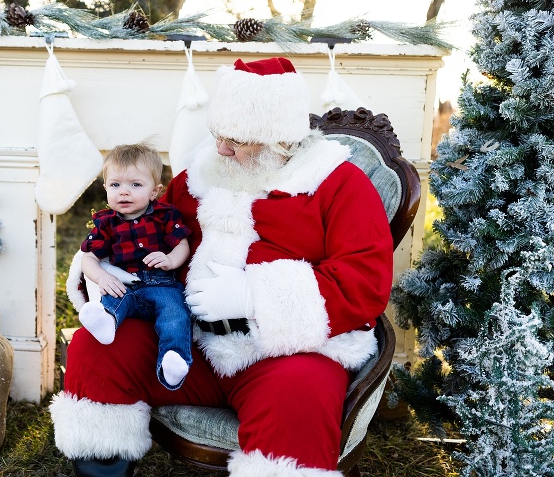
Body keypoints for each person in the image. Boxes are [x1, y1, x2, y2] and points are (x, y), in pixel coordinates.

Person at [50, 57, 393, 477]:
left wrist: (253, 295)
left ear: (279, 139)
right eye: (219, 134)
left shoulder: (339, 185)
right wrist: (101, 265)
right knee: (96, 348)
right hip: (186, 342)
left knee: (301, 394)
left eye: (237, 139)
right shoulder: (199, 178)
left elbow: (364, 282)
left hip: (285, 353)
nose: (222, 149)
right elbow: (144, 233)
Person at [77, 143, 193, 390]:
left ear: (155, 191)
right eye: (115, 185)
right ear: (106, 187)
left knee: (175, 314)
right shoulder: (106, 223)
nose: (124, 193)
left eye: (135, 185)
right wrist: (101, 277)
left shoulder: (165, 215)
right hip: (127, 286)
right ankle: (106, 322)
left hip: (162, 286)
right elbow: (88, 258)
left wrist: (171, 259)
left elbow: (182, 243)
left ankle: (173, 359)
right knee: (113, 297)